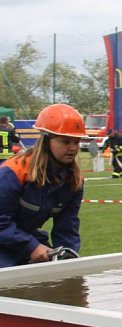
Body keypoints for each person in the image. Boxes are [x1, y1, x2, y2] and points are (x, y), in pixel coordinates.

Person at [0, 103, 86, 268]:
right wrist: (31, 246)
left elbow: (67, 227)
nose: (72, 148)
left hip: (23, 236)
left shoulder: (73, 181)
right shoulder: (14, 172)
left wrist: (68, 258)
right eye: (65, 141)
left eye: (76, 142)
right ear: (46, 140)